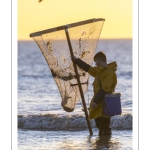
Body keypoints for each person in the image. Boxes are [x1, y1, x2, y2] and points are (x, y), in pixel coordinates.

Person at [72, 51, 117, 136]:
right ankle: (102, 143)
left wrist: (95, 101)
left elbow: (105, 89)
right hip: (99, 104)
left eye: (96, 62)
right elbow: (88, 68)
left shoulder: (108, 73)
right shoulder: (99, 71)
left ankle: (106, 143)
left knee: (104, 125)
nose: (95, 64)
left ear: (99, 61)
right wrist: (77, 60)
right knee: (99, 124)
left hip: (105, 104)